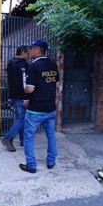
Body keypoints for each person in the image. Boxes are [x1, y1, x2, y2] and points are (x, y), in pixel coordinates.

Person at [19, 39, 59, 173]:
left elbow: (30, 89)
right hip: (51, 108)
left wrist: (24, 88)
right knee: (51, 136)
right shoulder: (53, 65)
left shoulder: (34, 66)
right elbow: (55, 83)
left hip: (36, 110)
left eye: (31, 48)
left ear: (37, 50)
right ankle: (51, 161)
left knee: (29, 136)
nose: (29, 51)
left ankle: (31, 165)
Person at [2, 46, 29, 152]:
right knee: (23, 118)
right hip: (20, 96)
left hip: (12, 95)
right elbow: (24, 82)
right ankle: (8, 138)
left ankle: (23, 140)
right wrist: (26, 96)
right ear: (22, 53)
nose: (27, 56)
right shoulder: (22, 64)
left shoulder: (10, 63)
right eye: (26, 54)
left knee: (20, 118)